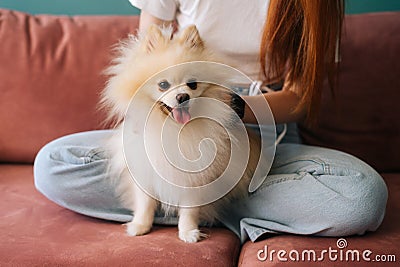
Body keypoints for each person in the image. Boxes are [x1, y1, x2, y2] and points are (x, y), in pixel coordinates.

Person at [34, 0, 388, 243]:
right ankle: (216, 207)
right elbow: (146, 60)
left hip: (260, 134)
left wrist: (225, 105)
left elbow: (298, 99)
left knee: (362, 199)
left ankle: (200, 205)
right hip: (170, 120)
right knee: (52, 165)